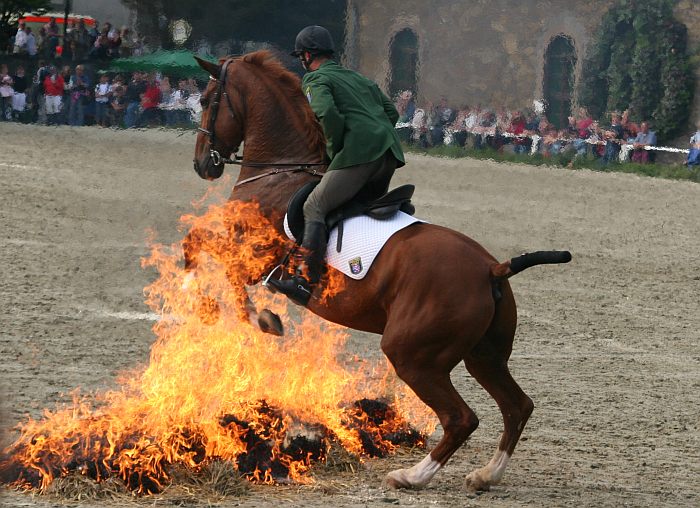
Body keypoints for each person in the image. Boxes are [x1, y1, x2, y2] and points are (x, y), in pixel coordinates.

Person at [268, 25, 405, 306]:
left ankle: (304, 281)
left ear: (307, 55)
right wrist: (374, 136)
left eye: (301, 56)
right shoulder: (358, 78)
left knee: (314, 205)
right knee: (349, 205)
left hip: (360, 156)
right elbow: (391, 111)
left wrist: (336, 150)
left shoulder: (315, 79)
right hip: (389, 154)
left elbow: (328, 114)